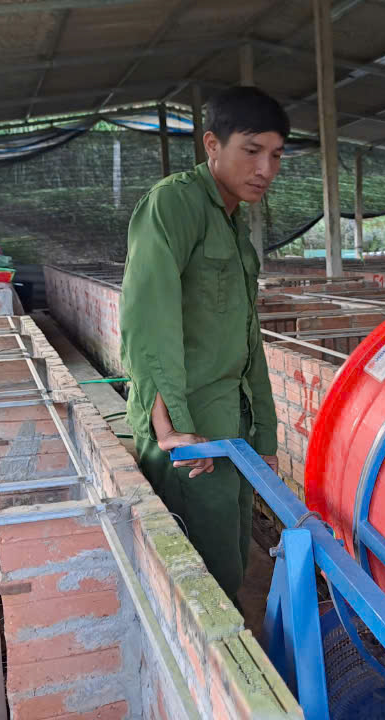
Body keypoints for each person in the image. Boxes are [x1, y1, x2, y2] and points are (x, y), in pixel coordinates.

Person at [119, 86, 287, 608]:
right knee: (198, 567)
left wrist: (265, 430)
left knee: (232, 550)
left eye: (276, 156)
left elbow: (247, 335)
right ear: (212, 145)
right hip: (187, 421)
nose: (265, 168)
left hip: (228, 422)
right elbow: (148, 316)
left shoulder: (234, 224)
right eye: (252, 150)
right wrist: (170, 422)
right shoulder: (175, 203)